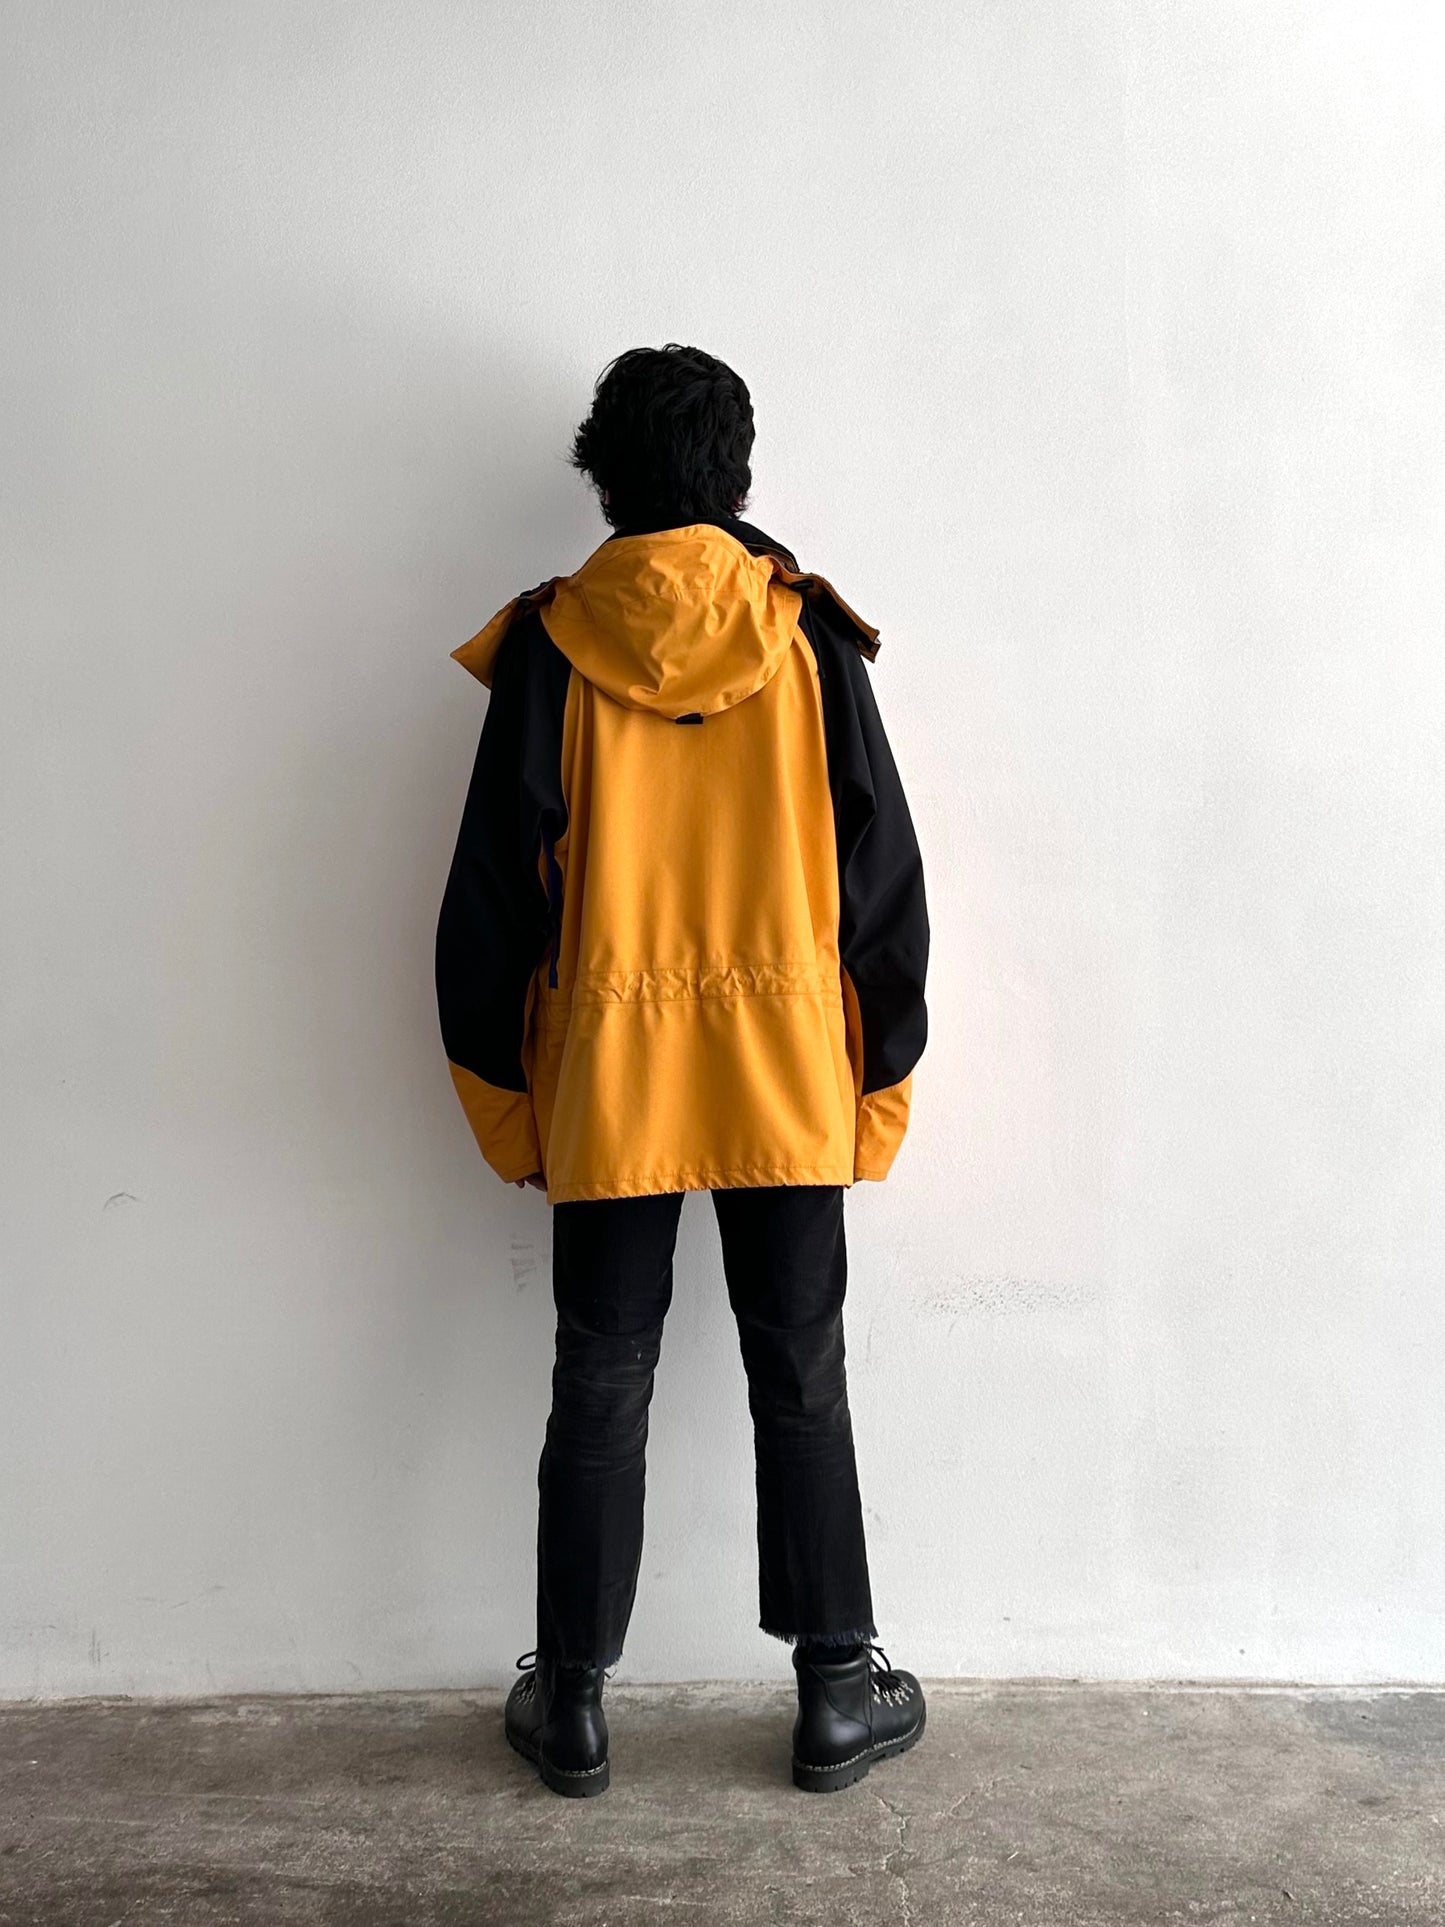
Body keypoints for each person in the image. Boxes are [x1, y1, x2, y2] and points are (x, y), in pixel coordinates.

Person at [434, 343, 930, 1797]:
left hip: (611, 1072)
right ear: (737, 471)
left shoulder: (550, 645)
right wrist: (877, 1087)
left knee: (600, 1375)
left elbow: (488, 905)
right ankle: (834, 1692)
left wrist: (507, 1107)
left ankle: (573, 1705)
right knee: (801, 1370)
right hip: (787, 1068)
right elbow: (883, 888)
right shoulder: (806, 638)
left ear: (604, 472)